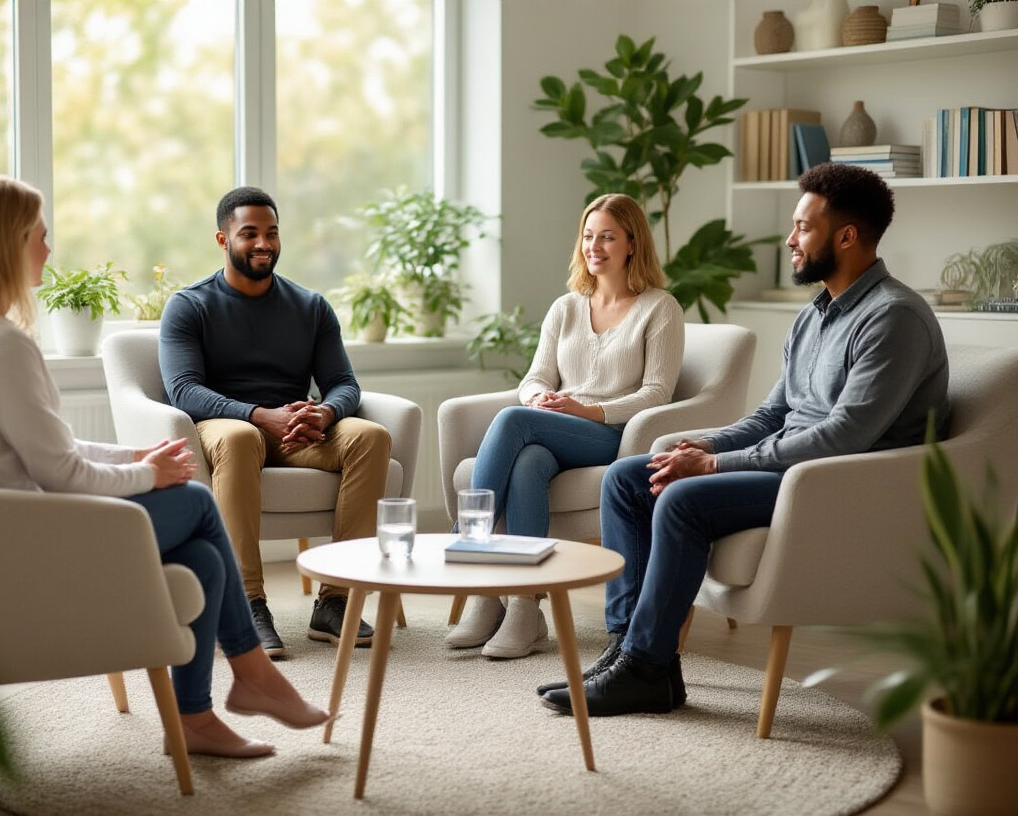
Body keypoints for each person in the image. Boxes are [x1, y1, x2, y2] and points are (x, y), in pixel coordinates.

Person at [0, 174, 329, 759]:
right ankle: (253, 676)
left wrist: (134, 457)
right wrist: (149, 476)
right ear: (4, 243)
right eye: (40, 236)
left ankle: (199, 718)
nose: (49, 249)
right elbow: (59, 474)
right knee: (198, 501)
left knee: (203, 559)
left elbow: (47, 447)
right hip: (25, 542)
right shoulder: (1, 345)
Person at [538, 162, 950, 716]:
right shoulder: (815, 316)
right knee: (628, 478)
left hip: (838, 482)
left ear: (847, 237)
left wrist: (712, 469)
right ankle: (630, 653)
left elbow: (846, 436)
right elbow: (773, 413)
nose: (790, 239)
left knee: (683, 500)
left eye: (803, 227)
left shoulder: (893, 318)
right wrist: (702, 447)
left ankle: (645, 665)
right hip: (787, 467)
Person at [445, 193, 684, 659]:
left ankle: (470, 557)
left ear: (633, 244)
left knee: (514, 420)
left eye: (608, 237)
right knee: (528, 462)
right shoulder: (567, 306)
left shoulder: (660, 308)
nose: (594, 246)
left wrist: (584, 410)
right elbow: (534, 377)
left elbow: (657, 393)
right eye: (588, 236)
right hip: (553, 430)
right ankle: (522, 607)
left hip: (611, 433)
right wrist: (541, 399)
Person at [159, 186, 392, 658]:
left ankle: (335, 601)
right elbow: (183, 390)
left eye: (271, 233)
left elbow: (344, 383)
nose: (263, 243)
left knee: (370, 435)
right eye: (249, 234)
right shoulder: (190, 305)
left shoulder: (311, 307)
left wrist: (325, 411)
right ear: (223, 240)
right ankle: (246, 603)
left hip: (295, 428)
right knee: (243, 437)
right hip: (229, 426)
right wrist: (257, 415)